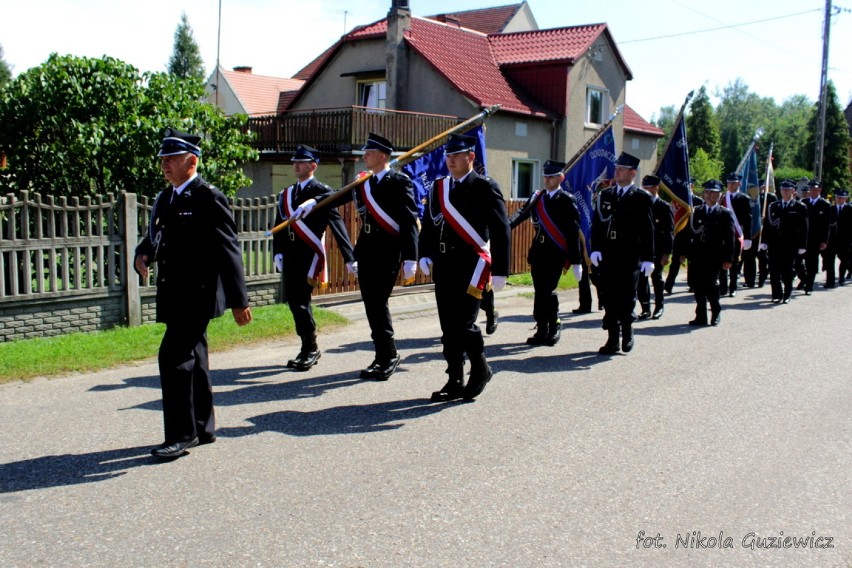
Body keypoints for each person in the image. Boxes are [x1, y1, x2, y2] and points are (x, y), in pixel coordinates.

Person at [134, 128, 253, 460]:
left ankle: (180, 434)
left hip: (198, 294)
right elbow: (154, 238)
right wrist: (142, 255)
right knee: (195, 356)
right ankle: (203, 426)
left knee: (173, 358)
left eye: (172, 159)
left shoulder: (208, 196)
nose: (165, 165)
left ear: (192, 161)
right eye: (163, 159)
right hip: (173, 292)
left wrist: (238, 300)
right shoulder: (164, 198)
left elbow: (229, 250)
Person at [418, 133, 510, 402]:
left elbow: (500, 228)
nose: (451, 161)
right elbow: (430, 224)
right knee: (448, 325)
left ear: (470, 157)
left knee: (464, 323)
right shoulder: (438, 188)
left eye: (456, 156)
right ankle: (454, 378)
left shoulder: (484, 186)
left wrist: (501, 268)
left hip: (472, 264)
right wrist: (424, 253)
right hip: (445, 264)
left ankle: (480, 369)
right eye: (448, 156)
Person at [322, 133, 420, 380]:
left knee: (378, 303)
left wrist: (411, 256)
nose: (364, 156)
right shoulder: (363, 183)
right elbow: (336, 197)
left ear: (382, 156)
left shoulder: (399, 182)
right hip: (366, 251)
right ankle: (382, 354)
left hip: (388, 251)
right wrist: (312, 201)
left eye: (369, 152)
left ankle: (388, 355)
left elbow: (408, 220)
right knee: (370, 304)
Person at [272, 145, 355, 371]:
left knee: (301, 301)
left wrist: (349, 257)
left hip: (308, 254)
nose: (296, 165)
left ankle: (310, 347)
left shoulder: (322, 191)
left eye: (301, 162)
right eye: (294, 162)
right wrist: (276, 251)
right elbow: (278, 224)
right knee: (293, 301)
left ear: (313, 166)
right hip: (289, 253)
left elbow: (337, 225)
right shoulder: (288, 193)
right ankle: (307, 345)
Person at [509, 160, 583, 346]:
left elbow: (573, 232)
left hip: (556, 253)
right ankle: (542, 328)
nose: (547, 180)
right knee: (539, 291)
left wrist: (576, 261)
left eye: (551, 176)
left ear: (560, 177)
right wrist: (503, 226)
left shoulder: (567, 200)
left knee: (548, 291)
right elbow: (521, 213)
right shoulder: (537, 197)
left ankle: (554, 324)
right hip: (539, 253)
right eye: (545, 176)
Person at [590, 152, 654, 354]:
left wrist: (647, 258)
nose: (616, 172)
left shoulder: (641, 198)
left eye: (621, 169)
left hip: (629, 255)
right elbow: (598, 224)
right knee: (608, 297)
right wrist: (595, 248)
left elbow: (647, 229)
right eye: (616, 168)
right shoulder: (606, 194)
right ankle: (612, 339)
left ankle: (627, 332)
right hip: (608, 254)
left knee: (626, 297)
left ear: (632, 173)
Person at [684, 180, 736, 326]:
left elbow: (729, 238)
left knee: (711, 286)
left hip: (715, 256)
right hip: (697, 256)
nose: (709, 195)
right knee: (698, 286)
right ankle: (701, 315)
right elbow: (689, 234)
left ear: (719, 195)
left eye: (713, 192)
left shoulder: (724, 213)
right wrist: (684, 253)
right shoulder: (697, 211)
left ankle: (716, 311)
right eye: (707, 192)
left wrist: (728, 259)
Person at [761, 179, 808, 304]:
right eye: (783, 189)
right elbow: (767, 225)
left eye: (788, 190)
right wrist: (764, 241)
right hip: (775, 244)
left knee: (787, 271)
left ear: (793, 191)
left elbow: (804, 228)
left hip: (790, 244)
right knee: (774, 270)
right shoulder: (773, 206)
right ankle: (777, 294)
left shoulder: (799, 207)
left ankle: (787, 294)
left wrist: (802, 245)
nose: (785, 192)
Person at [636, 175, 673, 320]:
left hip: (658, 249)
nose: (645, 191)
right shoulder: (639, 205)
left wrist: (667, 253)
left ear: (656, 188)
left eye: (648, 188)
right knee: (641, 279)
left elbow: (669, 231)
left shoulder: (664, 206)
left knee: (656, 278)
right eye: (643, 188)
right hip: (641, 248)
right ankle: (645, 308)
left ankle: (659, 306)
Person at [664, 177, 702, 294]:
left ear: (692, 187)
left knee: (693, 262)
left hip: (692, 235)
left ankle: (692, 284)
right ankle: (669, 285)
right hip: (679, 235)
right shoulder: (677, 200)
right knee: (675, 262)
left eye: (689, 185)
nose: (687, 187)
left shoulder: (698, 201)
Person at [718, 173, 752, 297]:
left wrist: (747, 237)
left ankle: (733, 287)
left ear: (739, 184)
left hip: (737, 234)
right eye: (729, 183)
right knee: (722, 260)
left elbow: (748, 219)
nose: (731, 185)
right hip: (723, 234)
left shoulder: (743, 198)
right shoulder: (722, 198)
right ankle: (723, 287)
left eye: (734, 183)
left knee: (734, 262)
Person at [743, 179, 777, 288]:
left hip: (764, 230)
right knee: (749, 257)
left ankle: (762, 278)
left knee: (762, 257)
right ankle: (750, 280)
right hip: (753, 230)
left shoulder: (770, 198)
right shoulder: (749, 198)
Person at [801, 179, 831, 293]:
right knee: (798, 262)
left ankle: (809, 285)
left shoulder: (824, 204)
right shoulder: (803, 202)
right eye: (812, 189)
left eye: (816, 189)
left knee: (811, 263)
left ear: (820, 190)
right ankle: (804, 279)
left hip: (815, 239)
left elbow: (826, 224)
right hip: (803, 237)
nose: (814, 191)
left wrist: (824, 240)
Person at [825, 187, 849, 287]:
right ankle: (830, 281)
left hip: (845, 240)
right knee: (829, 261)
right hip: (831, 240)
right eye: (838, 197)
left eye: (841, 198)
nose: (839, 199)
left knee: (844, 260)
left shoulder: (850, 209)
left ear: (846, 198)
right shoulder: (830, 209)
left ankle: (841, 278)